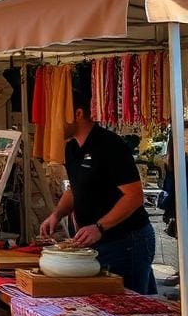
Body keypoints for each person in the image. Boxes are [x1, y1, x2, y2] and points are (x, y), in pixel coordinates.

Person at [40, 89, 156, 294]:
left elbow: (135, 196)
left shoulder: (109, 145)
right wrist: (57, 214)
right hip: (96, 245)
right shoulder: (71, 148)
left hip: (126, 241)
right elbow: (75, 189)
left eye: (59, 116)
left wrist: (99, 227)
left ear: (78, 114)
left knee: (127, 309)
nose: (55, 123)